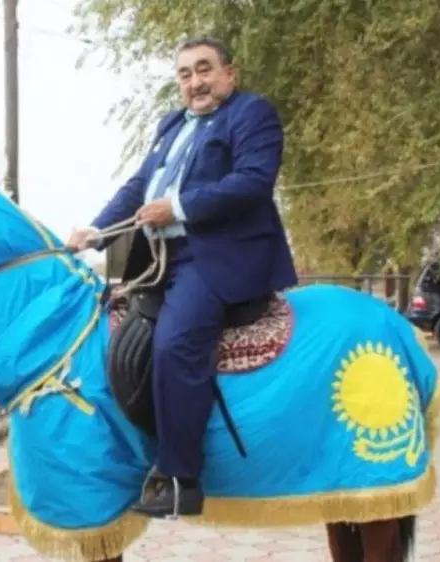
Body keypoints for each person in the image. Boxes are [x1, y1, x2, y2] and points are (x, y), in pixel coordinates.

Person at [68, 36, 298, 518]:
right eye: (185, 74)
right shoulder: (171, 124)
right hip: (160, 259)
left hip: (216, 257)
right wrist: (97, 232)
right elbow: (138, 187)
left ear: (229, 74)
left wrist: (177, 207)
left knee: (175, 343)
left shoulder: (251, 113)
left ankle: (180, 480)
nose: (195, 82)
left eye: (204, 69)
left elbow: (254, 181)